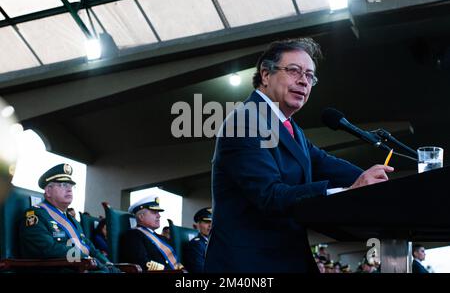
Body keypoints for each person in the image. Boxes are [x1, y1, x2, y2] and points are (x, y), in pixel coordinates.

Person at [204, 38, 394, 273]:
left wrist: (383, 187)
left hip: (286, 259)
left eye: (310, 76)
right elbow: (270, 196)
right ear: (265, 74)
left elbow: (325, 163)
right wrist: (345, 192)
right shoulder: (245, 121)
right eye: (294, 71)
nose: (304, 81)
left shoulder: (291, 129)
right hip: (250, 266)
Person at [19, 163, 118, 273]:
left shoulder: (72, 221)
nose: (69, 190)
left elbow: (88, 246)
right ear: (48, 191)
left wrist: (107, 263)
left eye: (71, 186)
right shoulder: (35, 215)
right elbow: (47, 250)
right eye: (63, 185)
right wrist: (88, 259)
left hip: (81, 267)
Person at [120, 195, 183, 271]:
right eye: (154, 212)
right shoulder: (133, 235)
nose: (159, 216)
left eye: (158, 213)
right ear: (141, 216)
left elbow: (175, 264)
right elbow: (141, 264)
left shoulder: (162, 238)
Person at [184, 207, 212, 273]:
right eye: (207, 222)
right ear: (198, 224)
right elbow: (200, 270)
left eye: (212, 222)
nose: (210, 225)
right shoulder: (196, 245)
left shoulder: (214, 243)